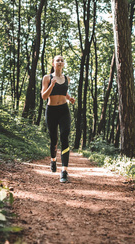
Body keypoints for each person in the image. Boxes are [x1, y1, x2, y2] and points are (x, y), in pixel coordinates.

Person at [41, 55, 75, 183]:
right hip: (51, 111)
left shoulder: (67, 78)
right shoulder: (47, 78)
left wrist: (69, 98)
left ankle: (64, 171)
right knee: (54, 139)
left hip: (64, 110)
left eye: (62, 60)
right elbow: (44, 96)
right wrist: (52, 84)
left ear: (63, 63)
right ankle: (53, 159)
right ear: (53, 63)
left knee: (65, 137)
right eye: (57, 60)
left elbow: (63, 91)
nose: (60, 62)